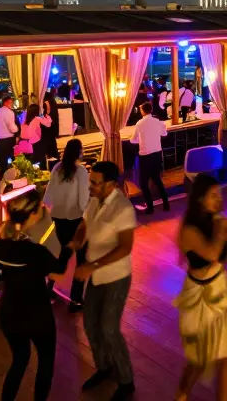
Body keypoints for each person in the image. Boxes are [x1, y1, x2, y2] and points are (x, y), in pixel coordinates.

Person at [0, 189, 67, 401]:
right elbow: (58, 273)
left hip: (10, 314)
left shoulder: (1, 245)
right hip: (37, 313)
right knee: (45, 361)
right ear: (33, 214)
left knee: (20, 360)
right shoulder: (35, 250)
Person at [72, 161, 138, 400]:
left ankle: (126, 380)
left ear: (111, 185)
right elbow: (84, 223)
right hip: (96, 276)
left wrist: (91, 265)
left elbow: (125, 248)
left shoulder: (123, 208)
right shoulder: (94, 201)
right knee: (90, 324)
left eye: (95, 183)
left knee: (109, 329)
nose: (90, 186)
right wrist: (78, 239)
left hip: (116, 277)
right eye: (90, 181)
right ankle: (104, 367)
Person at [173, 176, 227, 401]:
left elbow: (226, 256)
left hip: (220, 287)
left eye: (219, 195)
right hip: (198, 295)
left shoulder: (218, 221)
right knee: (199, 358)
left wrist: (226, 233)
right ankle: (182, 394)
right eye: (214, 195)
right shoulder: (189, 229)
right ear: (201, 199)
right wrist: (222, 231)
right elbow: (211, 253)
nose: (219, 199)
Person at [44, 138, 90, 311]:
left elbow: (48, 196)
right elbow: (83, 201)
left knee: (62, 255)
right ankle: (76, 299)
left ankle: (48, 289)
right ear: (79, 152)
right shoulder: (81, 172)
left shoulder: (57, 168)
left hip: (58, 218)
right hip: (75, 220)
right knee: (81, 259)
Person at [133, 102, 170, 215]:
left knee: (143, 183)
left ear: (143, 111)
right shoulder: (158, 122)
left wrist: (141, 139)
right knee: (157, 179)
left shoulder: (139, 123)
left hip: (146, 155)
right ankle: (166, 203)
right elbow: (164, 134)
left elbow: (133, 139)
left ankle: (150, 207)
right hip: (157, 153)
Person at [18, 103, 54, 169]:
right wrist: (46, 115)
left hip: (23, 143)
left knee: (27, 164)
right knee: (40, 163)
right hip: (35, 143)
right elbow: (48, 124)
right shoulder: (37, 118)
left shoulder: (24, 120)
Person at [0, 94, 19, 173]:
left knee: (2, 164)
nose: (11, 104)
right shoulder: (9, 112)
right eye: (10, 102)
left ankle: (2, 180)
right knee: (10, 162)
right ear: (5, 103)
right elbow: (11, 127)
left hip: (0, 140)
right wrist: (17, 130)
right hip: (8, 140)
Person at [41, 91, 61, 162]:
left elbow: (47, 113)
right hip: (53, 124)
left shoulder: (46, 103)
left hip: (47, 124)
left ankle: (51, 157)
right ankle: (55, 156)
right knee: (52, 141)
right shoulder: (53, 101)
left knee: (48, 141)